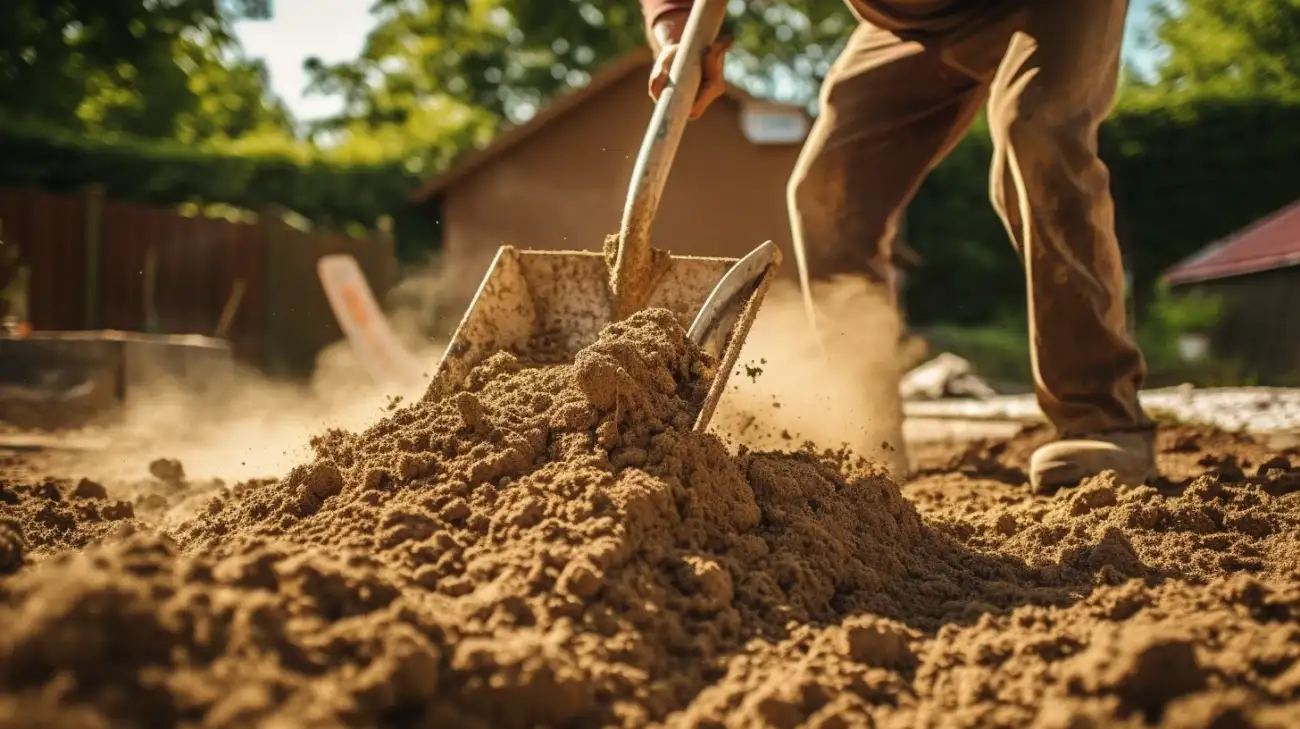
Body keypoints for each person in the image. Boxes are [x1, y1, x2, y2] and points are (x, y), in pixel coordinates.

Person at [640, 0, 1156, 490]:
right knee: (828, 191)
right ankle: (868, 437)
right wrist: (676, 31)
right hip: (915, 24)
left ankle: (1102, 416)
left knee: (1040, 129)